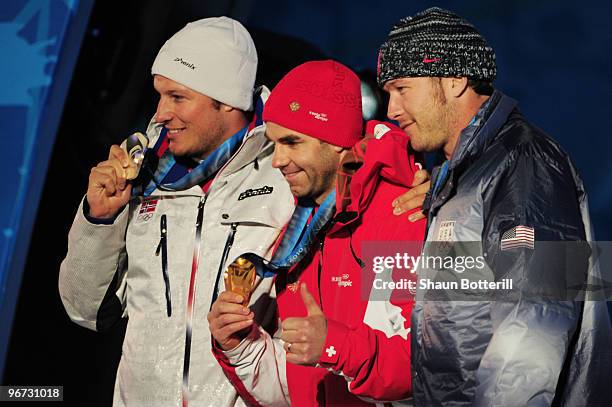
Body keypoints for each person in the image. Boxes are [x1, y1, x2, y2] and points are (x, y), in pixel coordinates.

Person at [378, 7, 612, 406]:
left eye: (402, 89)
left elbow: (535, 323)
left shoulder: (525, 162)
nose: (392, 109)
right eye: (388, 94)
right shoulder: (459, 176)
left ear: (453, 80)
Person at [58, 17, 296, 407]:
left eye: (178, 97)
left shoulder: (288, 169)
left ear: (227, 100)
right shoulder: (142, 174)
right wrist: (98, 220)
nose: (160, 113)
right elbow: (87, 310)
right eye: (160, 95)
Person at [208, 60, 427, 406]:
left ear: (337, 142)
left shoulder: (400, 214)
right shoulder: (302, 229)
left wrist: (333, 345)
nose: (277, 160)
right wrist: (240, 346)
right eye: (274, 144)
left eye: (292, 142)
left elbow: (432, 366)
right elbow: (299, 391)